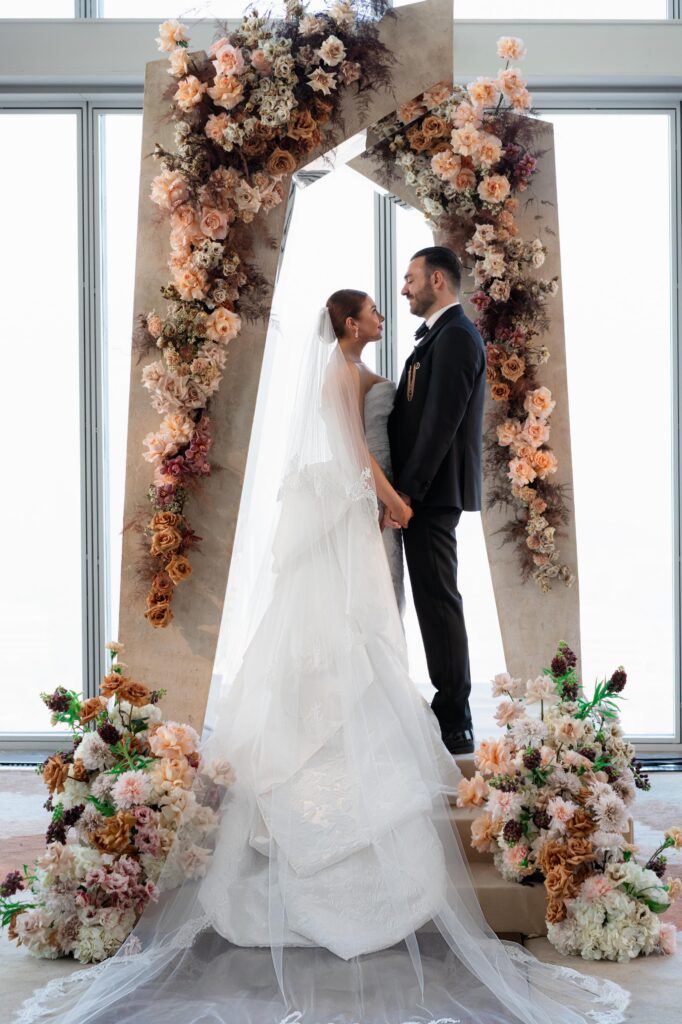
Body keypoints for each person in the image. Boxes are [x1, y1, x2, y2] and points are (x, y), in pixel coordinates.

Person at [13, 299, 630, 1024]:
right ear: (348, 324)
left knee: (360, 637)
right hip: (352, 506)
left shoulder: (360, 368)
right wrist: (394, 497)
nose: (381, 315)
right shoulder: (342, 372)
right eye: (370, 311)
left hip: (355, 511)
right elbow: (355, 452)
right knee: (349, 635)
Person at [388, 246, 486, 757]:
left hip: (430, 494)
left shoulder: (456, 337)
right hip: (424, 492)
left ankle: (455, 718)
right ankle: (449, 709)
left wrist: (408, 491)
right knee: (432, 600)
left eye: (411, 278)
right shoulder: (440, 336)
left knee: (438, 600)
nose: (404, 287)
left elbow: (440, 424)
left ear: (438, 281)